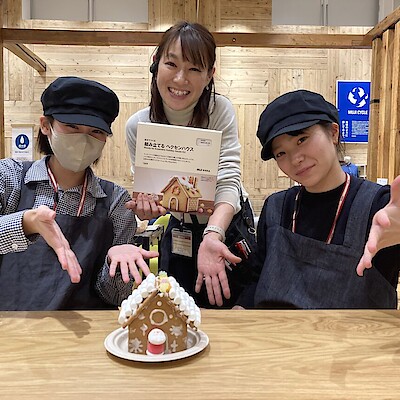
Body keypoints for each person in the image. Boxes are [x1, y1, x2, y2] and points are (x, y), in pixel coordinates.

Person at [0, 76, 157, 311]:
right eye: (72, 127)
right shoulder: (9, 177)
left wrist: (114, 263)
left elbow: (115, 297)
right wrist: (26, 223)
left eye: (95, 131)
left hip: (87, 329)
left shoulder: (116, 201)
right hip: (12, 327)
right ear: (46, 125)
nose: (83, 139)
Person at [125, 21, 251, 308]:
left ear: (209, 75)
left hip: (225, 227)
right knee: (178, 309)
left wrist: (213, 234)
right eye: (171, 64)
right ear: (156, 63)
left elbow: (228, 181)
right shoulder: (138, 126)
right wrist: (148, 208)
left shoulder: (219, 111)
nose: (181, 79)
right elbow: (152, 192)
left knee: (231, 311)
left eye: (194, 69)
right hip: (180, 229)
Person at [237, 89, 400, 309]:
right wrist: (240, 309)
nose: (295, 159)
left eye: (302, 139)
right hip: (274, 330)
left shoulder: (378, 206)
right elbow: (257, 279)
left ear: (333, 133)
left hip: (357, 331)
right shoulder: (276, 207)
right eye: (280, 153)